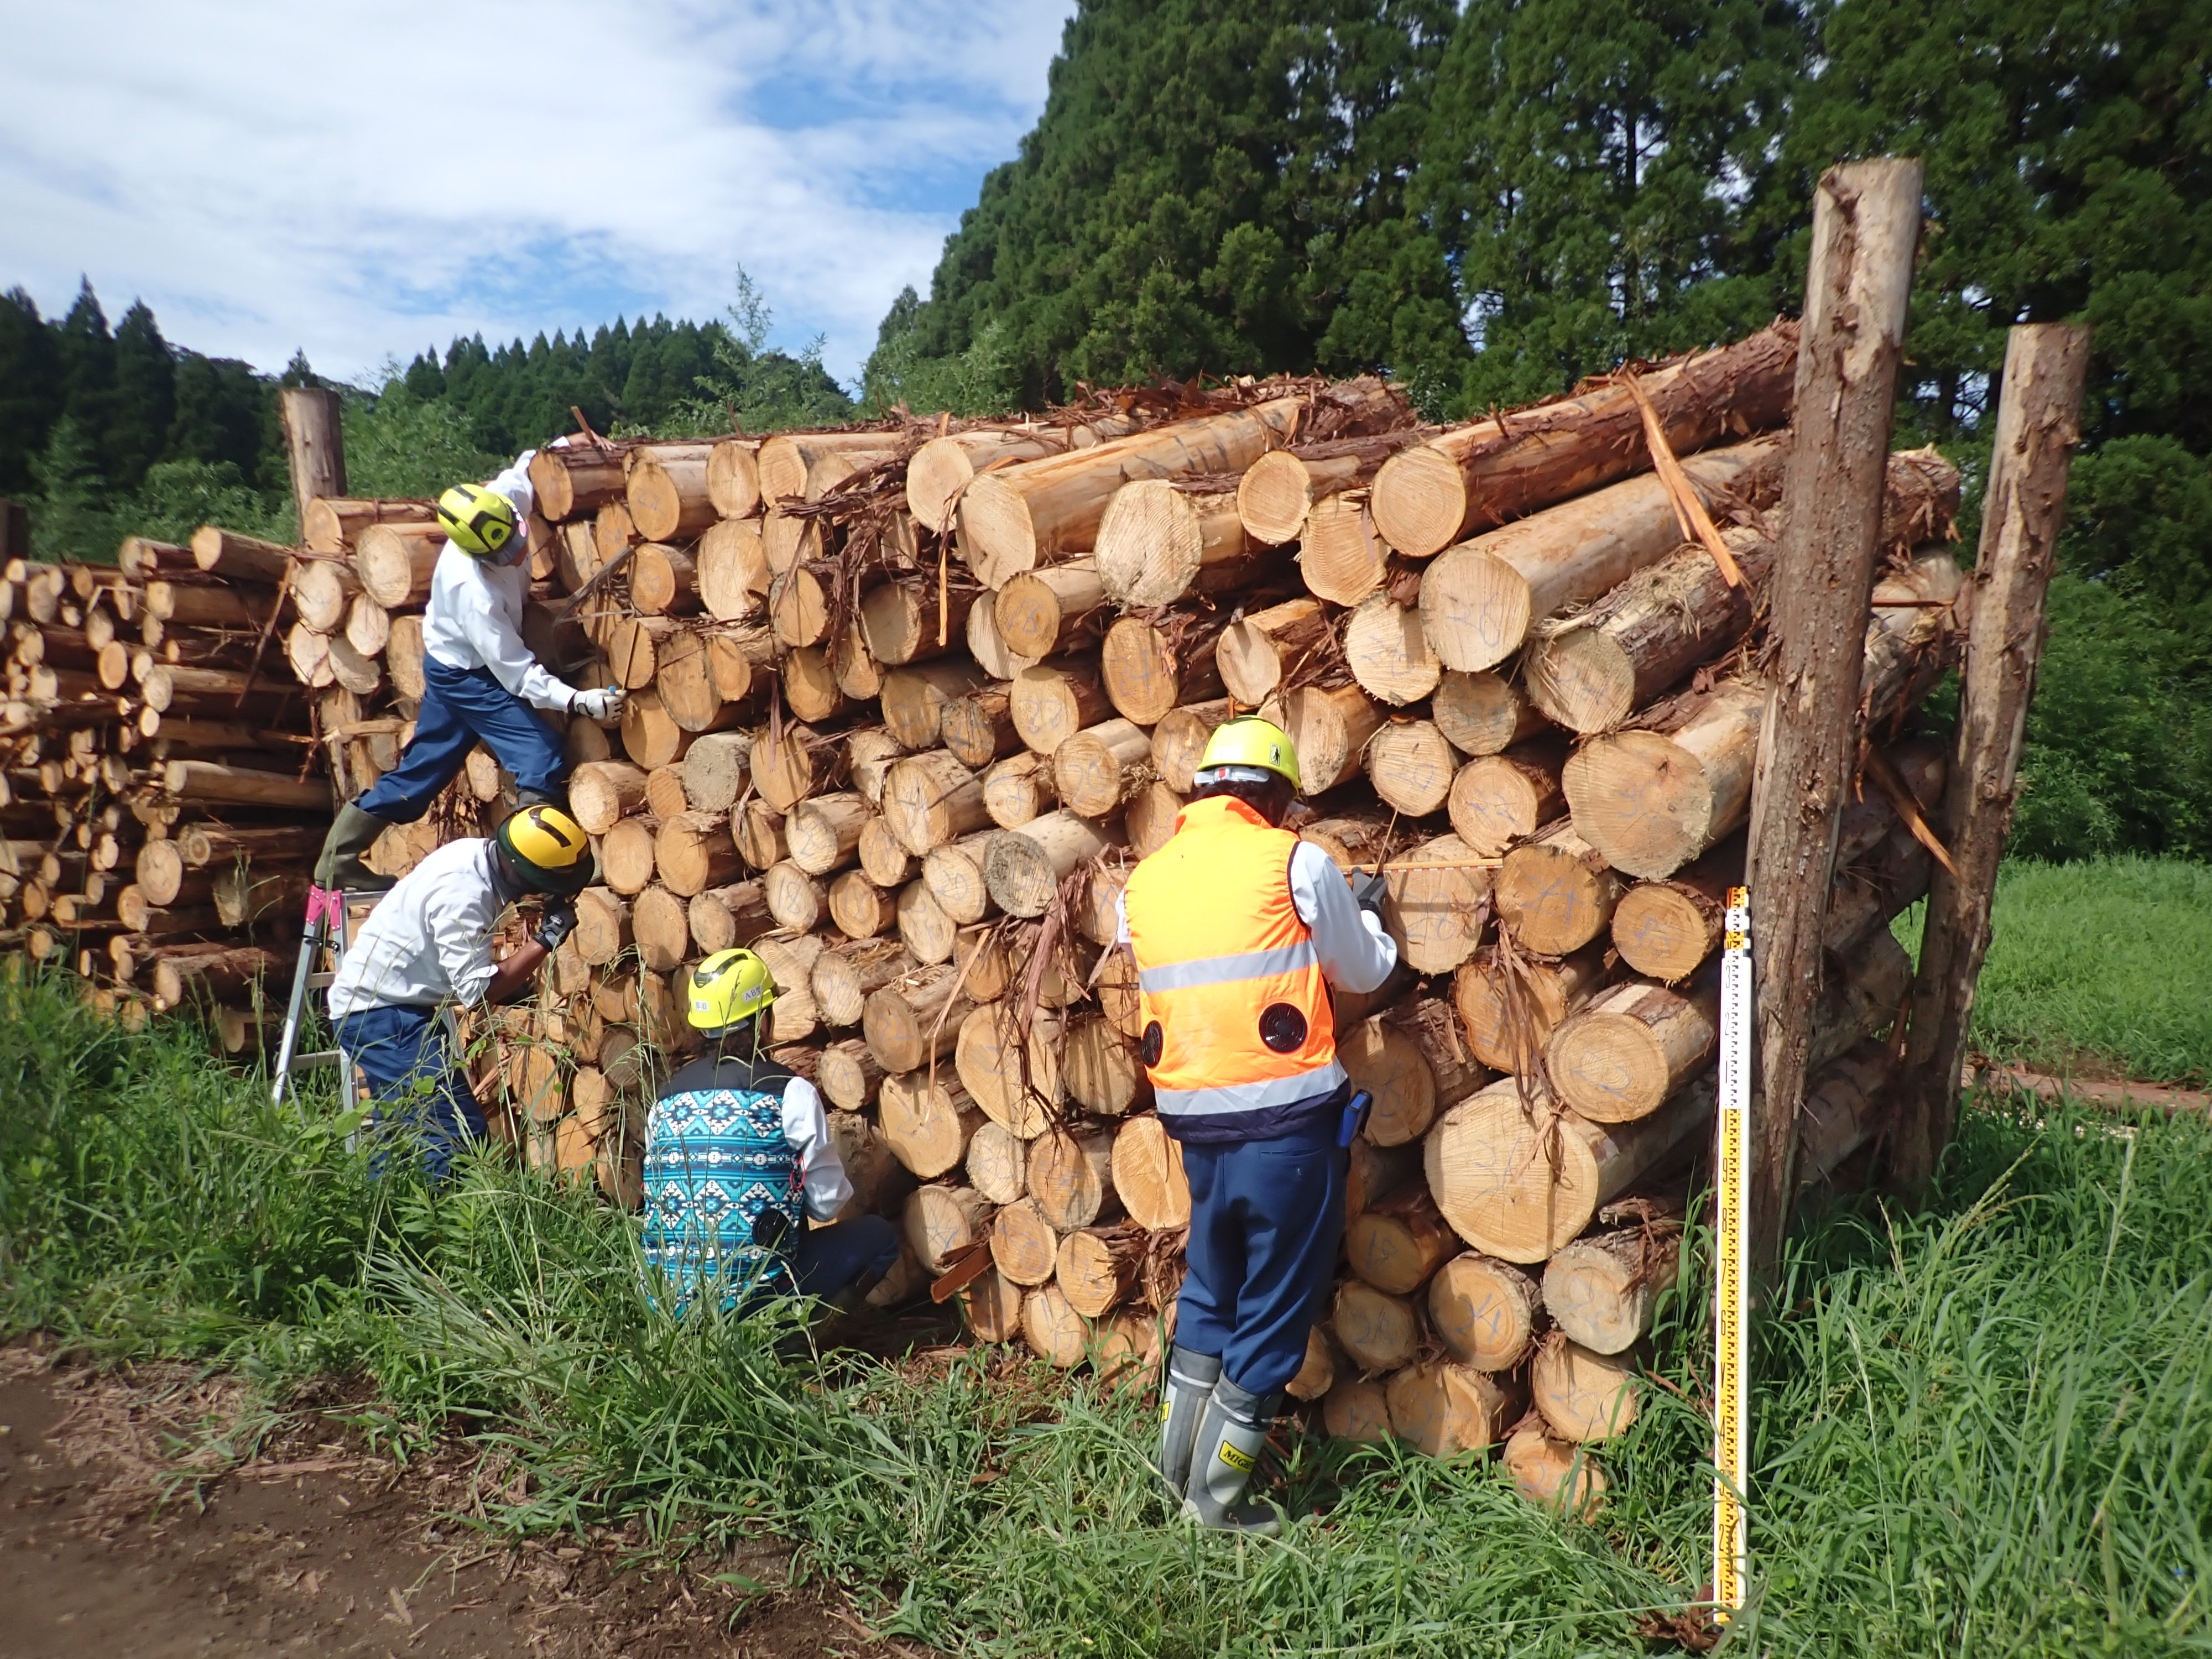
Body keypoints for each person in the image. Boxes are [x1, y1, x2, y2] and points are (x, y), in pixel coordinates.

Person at [1119, 717, 1399, 1533]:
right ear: (1273, 795)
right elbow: (1364, 968)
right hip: (1288, 1131)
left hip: (1195, 1132)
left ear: (1204, 789)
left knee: (1210, 1292)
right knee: (1275, 1311)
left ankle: (1173, 1483)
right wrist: (1364, 914)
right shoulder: (1295, 860)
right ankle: (1218, 1507)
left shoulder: (1142, 881)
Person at [313, 450, 626, 896]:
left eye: (518, 540)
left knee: (422, 775)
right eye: (505, 553)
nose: (518, 554)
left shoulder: (501, 503)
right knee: (541, 756)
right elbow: (516, 675)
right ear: (476, 551)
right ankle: (537, 868)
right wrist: (579, 701)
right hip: (469, 677)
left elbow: (523, 469)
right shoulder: (472, 592)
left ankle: (336, 860)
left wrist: (559, 450)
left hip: (450, 667)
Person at [326, 804, 595, 1182]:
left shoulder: (475, 855)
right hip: (384, 1016)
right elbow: (479, 992)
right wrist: (546, 939)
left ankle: (377, 1221)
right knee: (452, 1134)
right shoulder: (465, 896)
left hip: (386, 1008)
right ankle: (449, 1232)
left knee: (402, 1134)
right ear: (524, 875)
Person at [641, 948, 901, 1316]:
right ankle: (789, 1346)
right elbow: (827, 1204)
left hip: (669, 1304)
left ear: (700, 1026)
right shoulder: (788, 1092)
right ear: (762, 1021)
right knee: (879, 1237)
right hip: (753, 1299)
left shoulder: (664, 1101)